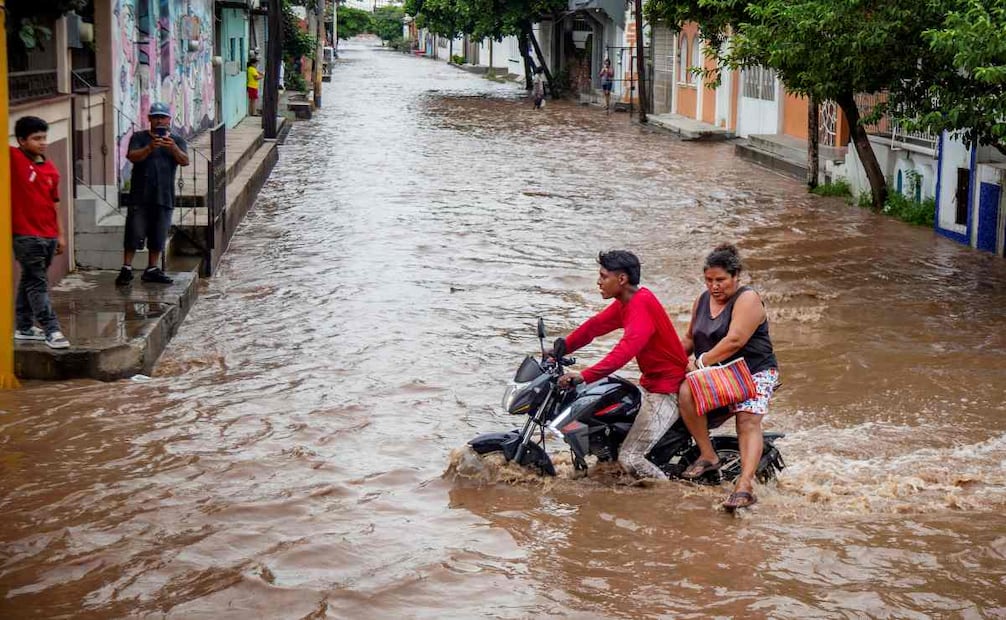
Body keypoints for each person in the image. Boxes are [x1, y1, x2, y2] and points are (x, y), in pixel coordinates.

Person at [556, 251, 689, 480]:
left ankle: (668, 498)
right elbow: (594, 327)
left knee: (630, 458)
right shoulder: (626, 302)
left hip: (667, 391)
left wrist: (584, 375)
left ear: (621, 279)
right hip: (650, 386)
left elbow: (624, 352)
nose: (598, 282)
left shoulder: (641, 304)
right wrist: (560, 349)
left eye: (603, 276)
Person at [678, 244, 780, 510]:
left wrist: (700, 362)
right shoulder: (701, 300)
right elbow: (690, 338)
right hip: (718, 373)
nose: (714, 286)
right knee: (684, 391)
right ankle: (708, 455)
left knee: (747, 420)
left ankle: (745, 485)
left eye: (721, 280)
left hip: (753, 371)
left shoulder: (748, 299)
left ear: (736, 277)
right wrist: (671, 359)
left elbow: (735, 340)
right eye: (709, 280)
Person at [10, 116, 70, 349]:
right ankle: (51, 329)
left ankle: (24, 327)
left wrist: (61, 235)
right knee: (38, 282)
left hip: (49, 235)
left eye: (44, 138)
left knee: (29, 279)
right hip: (26, 235)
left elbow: (55, 204)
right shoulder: (13, 158)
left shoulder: (50, 169)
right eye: (36, 139)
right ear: (22, 141)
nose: (42, 142)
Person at [115, 102, 189, 286]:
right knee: (133, 232)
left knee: (159, 233)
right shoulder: (139, 137)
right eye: (155, 117)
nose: (159, 121)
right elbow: (132, 156)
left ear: (169, 119)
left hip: (164, 195)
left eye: (162, 117)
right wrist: (149, 148)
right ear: (149, 119)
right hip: (140, 195)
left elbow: (185, 161)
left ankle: (152, 269)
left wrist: (172, 147)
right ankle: (126, 268)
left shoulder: (177, 140)